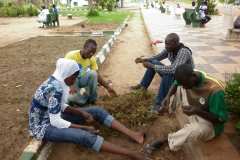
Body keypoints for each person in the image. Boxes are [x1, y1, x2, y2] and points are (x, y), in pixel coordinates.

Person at [29, 58, 146, 160]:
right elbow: (56, 122)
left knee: (97, 111)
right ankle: (131, 154)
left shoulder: (57, 80)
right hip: (43, 127)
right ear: (68, 74)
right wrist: (84, 127)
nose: (75, 80)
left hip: (53, 115)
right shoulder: (55, 88)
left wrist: (81, 112)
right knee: (84, 136)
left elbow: (60, 106)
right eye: (74, 76)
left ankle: (133, 134)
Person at [144, 64, 229, 154]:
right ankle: (169, 110)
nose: (184, 86)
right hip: (195, 110)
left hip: (211, 124)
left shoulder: (215, 91)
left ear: (193, 76)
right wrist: (167, 98)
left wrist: (197, 111)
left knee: (195, 130)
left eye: (185, 84)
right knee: (179, 88)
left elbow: (220, 120)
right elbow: (177, 83)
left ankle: (168, 140)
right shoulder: (189, 76)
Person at [131, 33, 194, 112]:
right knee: (154, 62)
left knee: (168, 73)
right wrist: (144, 60)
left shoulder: (183, 52)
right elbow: (157, 57)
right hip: (175, 74)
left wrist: (152, 66)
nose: (166, 46)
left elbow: (173, 70)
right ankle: (143, 87)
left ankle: (158, 104)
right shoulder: (170, 49)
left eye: (168, 44)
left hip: (184, 79)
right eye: (165, 43)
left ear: (175, 44)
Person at [65, 39, 117, 106]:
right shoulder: (71, 56)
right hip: (71, 81)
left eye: (93, 52)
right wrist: (71, 86)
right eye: (89, 52)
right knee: (71, 100)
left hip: (81, 79)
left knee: (93, 73)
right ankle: (77, 100)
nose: (91, 54)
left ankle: (93, 100)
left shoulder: (91, 58)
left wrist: (108, 87)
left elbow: (97, 75)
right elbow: (64, 73)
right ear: (84, 48)